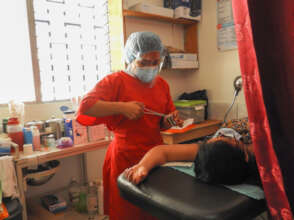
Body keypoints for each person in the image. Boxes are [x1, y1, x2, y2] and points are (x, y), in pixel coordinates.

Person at [76, 31, 183, 220]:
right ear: (131, 58)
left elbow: (161, 123)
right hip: (125, 158)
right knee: (127, 211)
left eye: (155, 63)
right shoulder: (115, 81)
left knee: (154, 211)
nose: (150, 68)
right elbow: (85, 107)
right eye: (144, 62)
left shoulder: (161, 85)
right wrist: (122, 107)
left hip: (154, 156)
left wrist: (171, 120)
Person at [125, 118, 261, 186]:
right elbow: (162, 151)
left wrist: (142, 167)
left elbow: (162, 151)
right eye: (220, 137)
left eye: (220, 138)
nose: (219, 136)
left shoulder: (218, 152)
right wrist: (143, 165)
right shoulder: (214, 152)